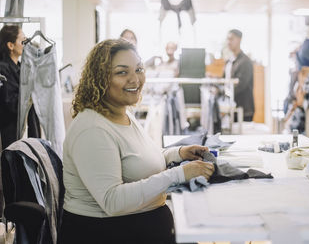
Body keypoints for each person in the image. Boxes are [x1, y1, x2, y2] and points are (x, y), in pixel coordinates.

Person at [59, 39, 215, 244]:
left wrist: (178, 153)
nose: (136, 79)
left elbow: (138, 158)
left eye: (139, 69)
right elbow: (112, 201)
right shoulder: (93, 128)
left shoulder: (122, 114)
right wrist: (179, 174)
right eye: (122, 72)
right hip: (105, 233)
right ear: (100, 79)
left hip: (135, 226)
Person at [0, 25, 41, 150]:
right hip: (9, 133)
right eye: (23, 41)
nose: (26, 45)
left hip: (21, 131)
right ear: (11, 45)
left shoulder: (20, 67)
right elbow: (10, 103)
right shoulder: (3, 69)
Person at [224, 29, 254, 121]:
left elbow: (240, 85)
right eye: (227, 39)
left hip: (244, 110)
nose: (228, 42)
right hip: (231, 108)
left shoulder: (245, 62)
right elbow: (225, 80)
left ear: (239, 39)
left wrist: (223, 92)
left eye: (231, 39)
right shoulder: (229, 61)